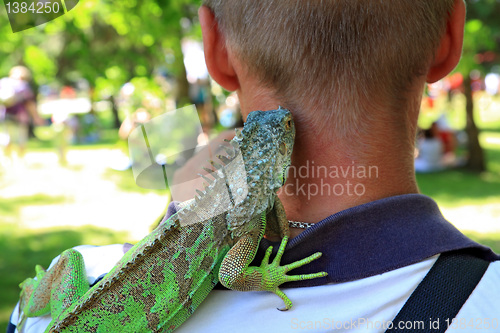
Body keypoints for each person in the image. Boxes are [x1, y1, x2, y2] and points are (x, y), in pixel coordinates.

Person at [9, 1, 499, 332]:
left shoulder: (68, 280)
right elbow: (229, 266)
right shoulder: (487, 304)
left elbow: (217, 264)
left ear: (215, 50)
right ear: (450, 38)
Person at [0, 66, 44, 161]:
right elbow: (29, 103)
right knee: (21, 138)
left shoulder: (3, 82)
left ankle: (8, 159)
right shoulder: (23, 85)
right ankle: (20, 159)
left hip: (5, 114)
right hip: (20, 115)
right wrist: (36, 117)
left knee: (7, 137)